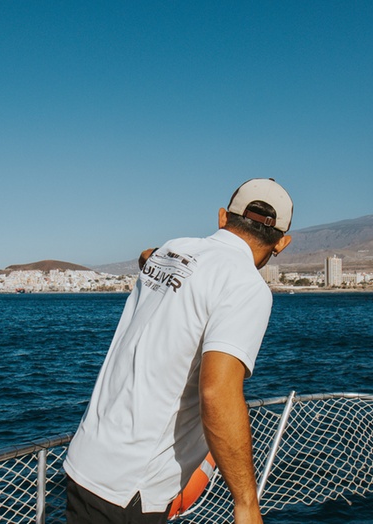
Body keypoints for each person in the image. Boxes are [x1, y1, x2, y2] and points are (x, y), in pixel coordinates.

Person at [64, 178, 294, 524]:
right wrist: (246, 502)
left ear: (222, 217)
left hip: (86, 460)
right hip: (131, 489)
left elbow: (146, 256)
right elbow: (217, 392)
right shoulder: (247, 285)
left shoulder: (171, 249)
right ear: (282, 244)